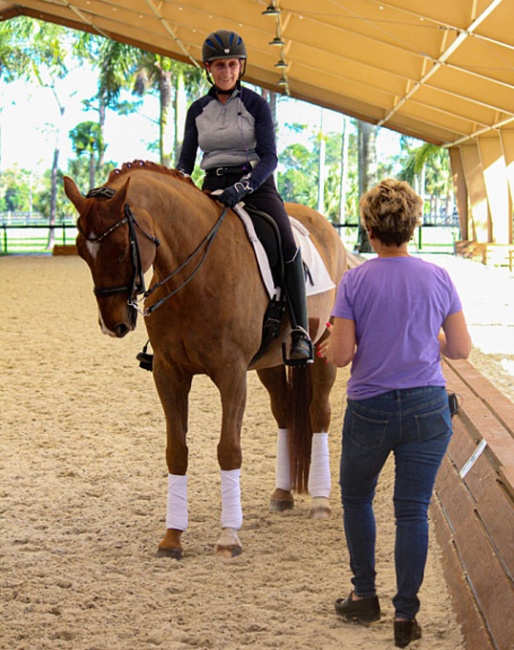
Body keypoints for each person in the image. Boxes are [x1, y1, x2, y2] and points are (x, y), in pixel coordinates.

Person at [318, 178, 471, 648]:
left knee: (358, 498)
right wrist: (426, 339)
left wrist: (331, 347)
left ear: (369, 228)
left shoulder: (356, 280)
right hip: (427, 406)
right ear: (412, 224)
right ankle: (406, 616)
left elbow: (342, 356)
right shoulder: (439, 276)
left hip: (371, 407)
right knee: (412, 511)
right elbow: (461, 349)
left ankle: (365, 595)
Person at [176, 29, 313, 364]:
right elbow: (186, 162)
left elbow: (270, 157)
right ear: (208, 68)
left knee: (286, 241)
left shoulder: (256, 105)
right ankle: (168, 330)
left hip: (256, 186)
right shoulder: (197, 110)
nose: (227, 71)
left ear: (241, 67)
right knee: (175, 241)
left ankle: (299, 331)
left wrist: (244, 186)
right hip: (212, 186)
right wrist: (177, 184)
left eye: (233, 65)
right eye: (220, 65)